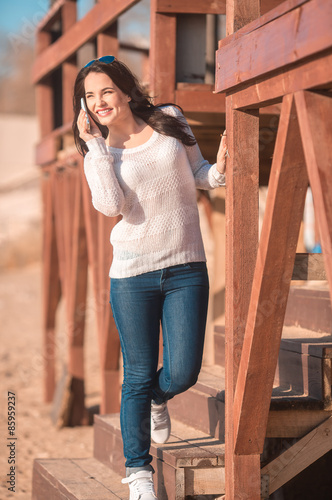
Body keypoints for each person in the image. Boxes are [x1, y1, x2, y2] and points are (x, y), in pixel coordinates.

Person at [73, 55, 227, 500]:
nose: (99, 102)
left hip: (185, 268)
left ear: (124, 89)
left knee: (182, 372)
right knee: (136, 376)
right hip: (132, 275)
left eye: (105, 91)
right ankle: (138, 473)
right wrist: (97, 144)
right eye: (89, 96)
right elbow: (109, 206)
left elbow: (198, 173)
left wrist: (219, 172)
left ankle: (160, 399)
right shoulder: (96, 150)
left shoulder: (170, 120)